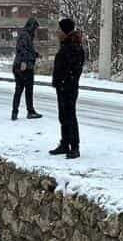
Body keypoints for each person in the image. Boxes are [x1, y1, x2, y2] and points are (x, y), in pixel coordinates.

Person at [49, 17, 85, 159]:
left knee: (70, 116)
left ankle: (74, 146)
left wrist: (64, 81)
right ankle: (65, 143)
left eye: (59, 30)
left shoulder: (74, 47)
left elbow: (73, 69)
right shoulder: (66, 45)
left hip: (68, 87)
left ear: (65, 31)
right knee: (63, 116)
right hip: (62, 86)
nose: (57, 32)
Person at [12, 17, 43, 120]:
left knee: (19, 90)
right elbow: (22, 49)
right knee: (27, 90)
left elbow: (28, 50)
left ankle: (15, 112)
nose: (36, 31)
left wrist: (36, 54)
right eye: (35, 28)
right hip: (24, 67)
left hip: (20, 65)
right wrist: (24, 62)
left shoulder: (26, 35)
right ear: (31, 27)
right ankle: (30, 111)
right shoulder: (25, 35)